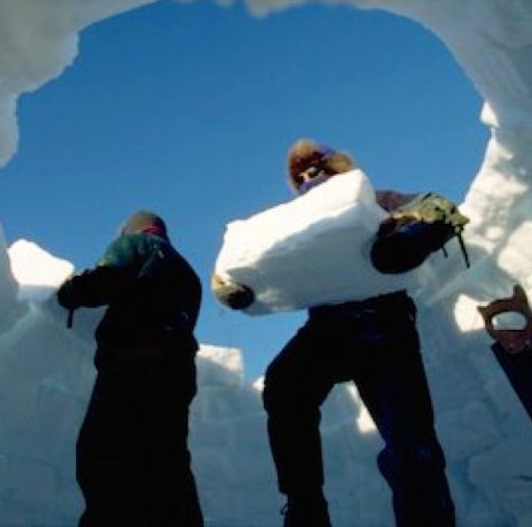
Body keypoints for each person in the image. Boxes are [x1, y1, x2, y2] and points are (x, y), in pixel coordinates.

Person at [212, 140, 459, 527]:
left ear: (337, 168)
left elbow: (433, 205)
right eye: (303, 174)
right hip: (328, 327)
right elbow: (246, 261)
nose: (311, 176)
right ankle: (304, 506)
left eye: (318, 167)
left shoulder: (374, 199)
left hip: (384, 321)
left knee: (410, 441)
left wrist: (421, 229)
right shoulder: (294, 222)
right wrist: (230, 284)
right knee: (284, 386)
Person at [57, 210, 203, 527]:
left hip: (132, 366)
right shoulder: (188, 272)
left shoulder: (137, 243)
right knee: (168, 466)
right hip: (178, 372)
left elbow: (108, 278)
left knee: (100, 457)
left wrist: (71, 292)